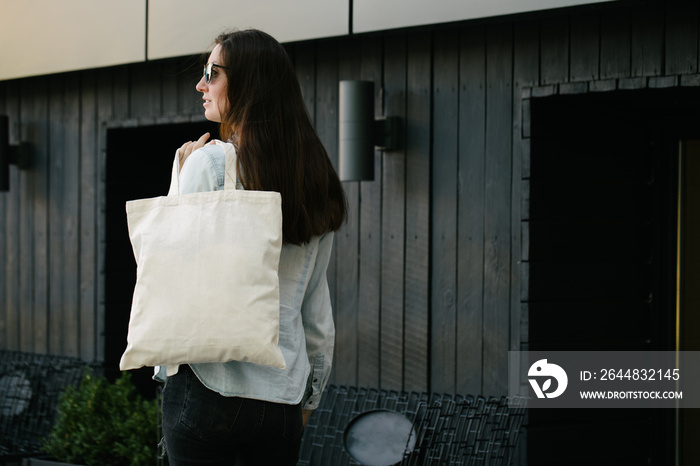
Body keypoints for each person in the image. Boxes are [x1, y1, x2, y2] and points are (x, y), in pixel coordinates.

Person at [157, 28, 347, 465]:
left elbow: (164, 274)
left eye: (213, 73)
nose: (201, 84)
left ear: (247, 85)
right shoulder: (313, 182)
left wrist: (177, 178)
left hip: (208, 386)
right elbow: (316, 314)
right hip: (281, 400)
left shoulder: (206, 164)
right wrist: (309, 399)